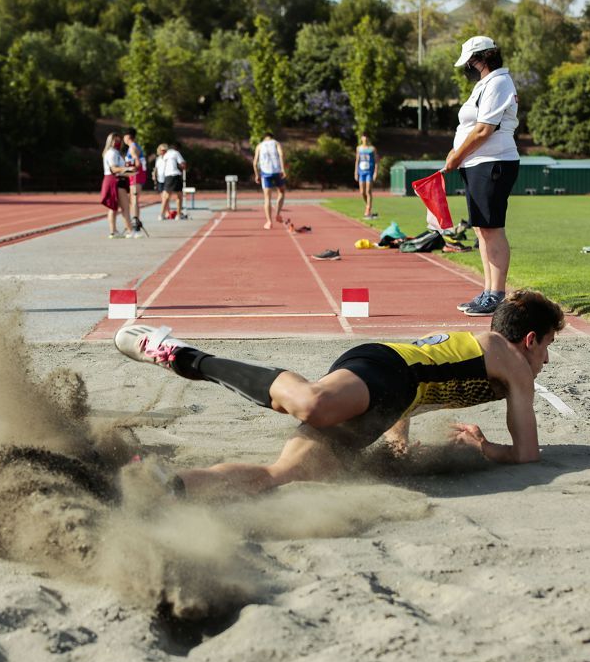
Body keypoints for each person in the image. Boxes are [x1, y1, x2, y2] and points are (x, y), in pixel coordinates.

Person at [114, 290, 563, 499]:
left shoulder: (483, 353)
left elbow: (424, 388)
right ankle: (179, 354)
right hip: (382, 367)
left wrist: (396, 439)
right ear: (529, 340)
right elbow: (527, 455)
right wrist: (485, 447)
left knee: (284, 475)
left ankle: (167, 486)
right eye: (547, 347)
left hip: (391, 400)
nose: (545, 360)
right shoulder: (511, 361)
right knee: (313, 403)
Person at [444, 36, 520, 318]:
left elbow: (483, 129)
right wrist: (459, 156)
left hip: (493, 162)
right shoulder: (485, 84)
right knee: (480, 229)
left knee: (491, 228)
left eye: (471, 62)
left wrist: (455, 156)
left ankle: (497, 294)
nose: (469, 67)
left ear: (482, 58)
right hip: (478, 162)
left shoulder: (499, 82)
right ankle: (488, 291)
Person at [101, 132, 136, 239]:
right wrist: (128, 169)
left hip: (116, 179)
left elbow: (119, 169)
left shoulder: (115, 152)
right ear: (110, 141)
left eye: (118, 140)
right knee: (124, 207)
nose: (117, 142)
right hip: (115, 180)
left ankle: (114, 231)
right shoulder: (111, 153)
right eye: (115, 140)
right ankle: (130, 231)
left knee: (114, 208)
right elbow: (114, 169)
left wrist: (130, 173)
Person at [253, 133, 287, 230]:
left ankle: (269, 222)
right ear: (272, 137)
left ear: (264, 138)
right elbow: (281, 155)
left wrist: (256, 175)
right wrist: (283, 169)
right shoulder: (276, 143)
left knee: (267, 198)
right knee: (281, 192)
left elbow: (255, 162)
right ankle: (278, 214)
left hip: (265, 173)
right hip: (277, 172)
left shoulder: (259, 145)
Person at [123, 128, 147, 234]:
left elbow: (137, 162)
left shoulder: (132, 147)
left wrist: (131, 168)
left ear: (127, 137)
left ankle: (135, 222)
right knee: (133, 200)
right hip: (136, 175)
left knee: (134, 199)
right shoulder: (133, 146)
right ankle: (135, 220)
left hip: (136, 175)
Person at [159, 143, 187, 220]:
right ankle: (178, 215)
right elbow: (182, 164)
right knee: (179, 196)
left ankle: (161, 214)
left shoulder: (165, 155)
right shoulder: (176, 153)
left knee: (166, 196)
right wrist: (183, 166)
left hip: (167, 176)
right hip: (175, 175)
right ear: (177, 148)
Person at [354, 134, 378, 219]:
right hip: (361, 172)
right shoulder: (358, 148)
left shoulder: (372, 149)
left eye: (366, 137)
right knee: (362, 192)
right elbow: (357, 160)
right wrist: (356, 172)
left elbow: (376, 161)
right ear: (361, 138)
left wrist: (375, 172)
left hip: (369, 172)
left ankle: (368, 210)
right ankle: (368, 206)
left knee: (368, 191)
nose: (365, 139)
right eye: (363, 137)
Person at [153, 143, 168, 220]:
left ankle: (162, 213)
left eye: (165, 150)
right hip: (160, 179)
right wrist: (154, 176)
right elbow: (156, 168)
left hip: (167, 179)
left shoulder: (168, 158)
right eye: (162, 150)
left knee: (165, 197)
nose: (163, 151)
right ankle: (167, 212)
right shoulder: (158, 159)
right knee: (163, 197)